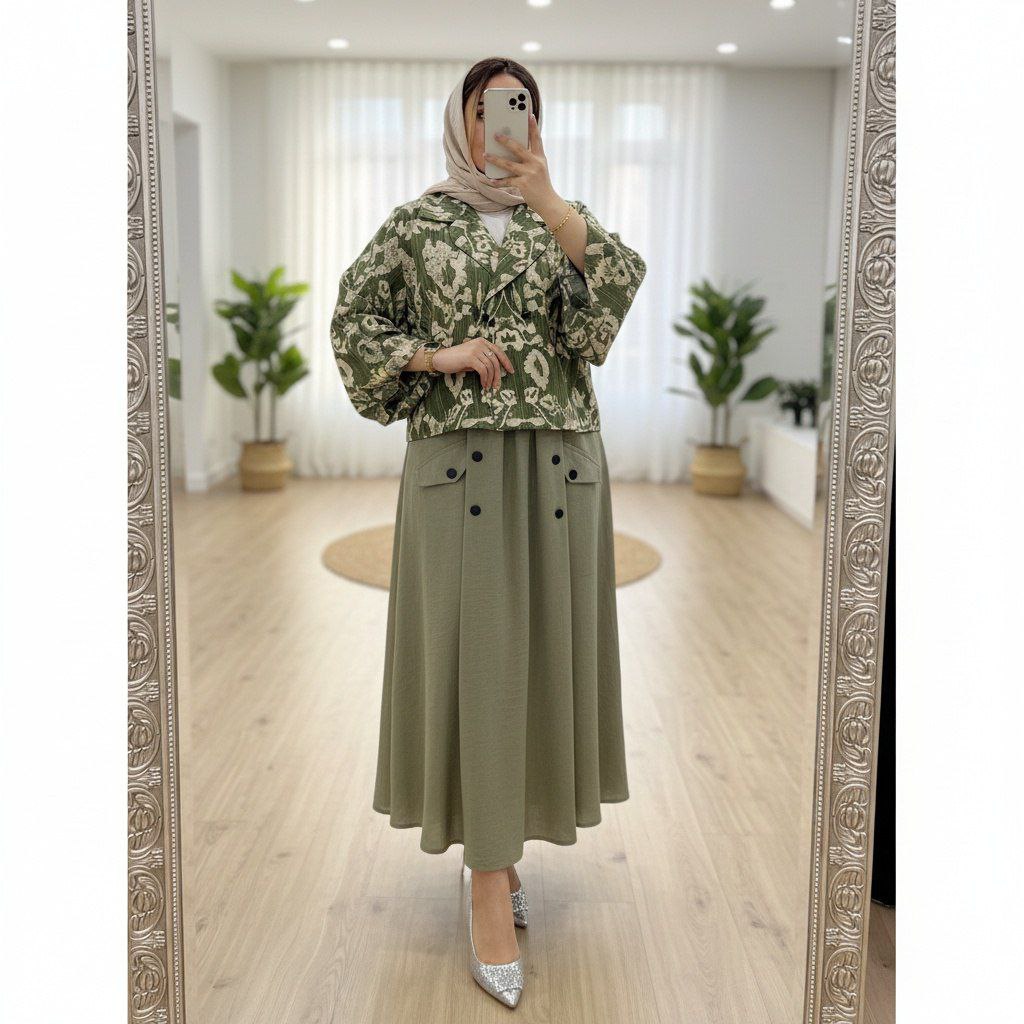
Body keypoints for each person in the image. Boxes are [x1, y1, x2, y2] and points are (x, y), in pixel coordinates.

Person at [329, 56, 647, 1009]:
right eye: (488, 108)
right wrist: (437, 354)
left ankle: (505, 857)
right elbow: (354, 325)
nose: (504, 123)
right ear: (459, 119)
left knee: (540, 662)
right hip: (458, 468)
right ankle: (484, 878)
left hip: (559, 468)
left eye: (521, 107)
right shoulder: (417, 225)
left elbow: (608, 308)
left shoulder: (562, 219)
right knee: (474, 662)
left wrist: (549, 198)